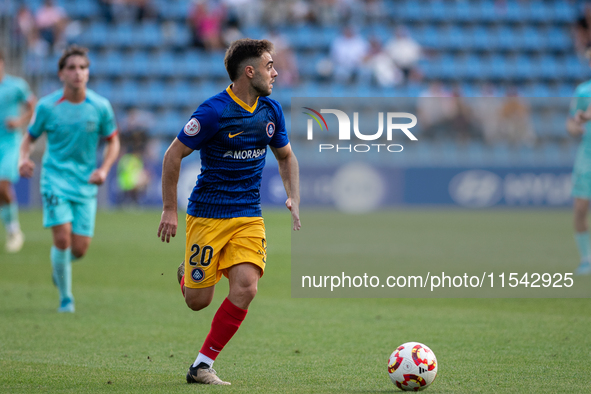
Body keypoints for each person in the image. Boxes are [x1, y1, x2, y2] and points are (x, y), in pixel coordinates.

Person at [157, 38, 300, 385]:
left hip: (249, 213)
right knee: (197, 302)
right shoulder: (213, 111)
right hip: (208, 214)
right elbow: (172, 155)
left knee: (247, 287)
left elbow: (286, 157)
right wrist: (169, 209)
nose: (276, 72)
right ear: (249, 71)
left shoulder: (272, 110)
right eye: (269, 66)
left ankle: (201, 366)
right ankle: (187, 275)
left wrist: (293, 197)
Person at [19, 46, 120, 312]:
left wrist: (105, 170)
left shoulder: (100, 107)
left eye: (83, 68)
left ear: (88, 73)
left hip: (86, 183)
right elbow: (28, 138)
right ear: (61, 74)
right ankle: (66, 299)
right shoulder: (47, 106)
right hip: (54, 178)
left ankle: (58, 265)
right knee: (62, 239)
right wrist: (23, 159)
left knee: (79, 249)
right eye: (72, 68)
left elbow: (113, 142)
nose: (78, 73)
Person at [0, 50, 36, 253]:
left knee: (3, 185)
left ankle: (14, 231)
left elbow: (33, 106)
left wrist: (19, 121)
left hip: (10, 143)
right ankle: (11, 227)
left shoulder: (16, 86)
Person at [566, 49, 591, 275]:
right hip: (587, 156)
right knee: (580, 209)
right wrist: (577, 124)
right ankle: (586, 259)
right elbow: (572, 122)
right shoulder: (583, 91)